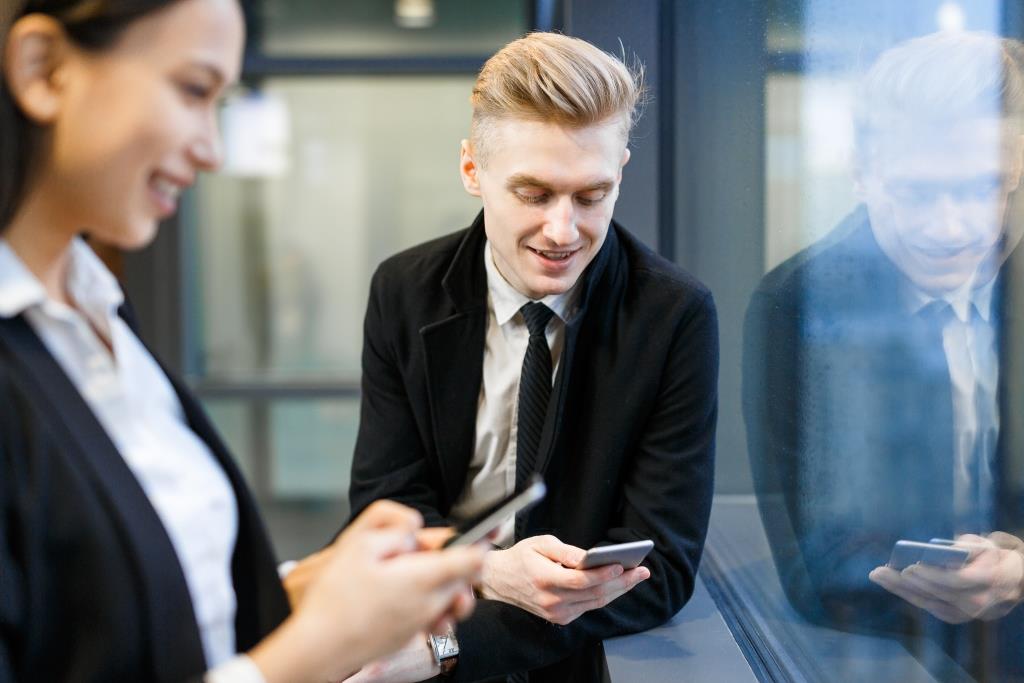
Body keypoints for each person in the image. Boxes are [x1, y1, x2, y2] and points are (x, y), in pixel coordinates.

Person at [0, 1, 485, 682]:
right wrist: (315, 648)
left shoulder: (95, 310)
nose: (212, 148)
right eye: (193, 90)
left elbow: (122, 621)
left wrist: (306, 590)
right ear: (42, 68)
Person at [346, 32, 718, 683]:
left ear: (621, 170)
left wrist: (451, 648)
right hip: (423, 615)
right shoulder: (403, 291)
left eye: (592, 195)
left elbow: (662, 569)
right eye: (534, 193)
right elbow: (385, 510)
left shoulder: (674, 315)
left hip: (565, 658)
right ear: (471, 171)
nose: (563, 231)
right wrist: (488, 570)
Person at [743, 31, 1024, 679]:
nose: (952, 226)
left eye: (982, 188)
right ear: (862, 173)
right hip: (890, 654)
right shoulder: (801, 306)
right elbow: (816, 566)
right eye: (919, 192)